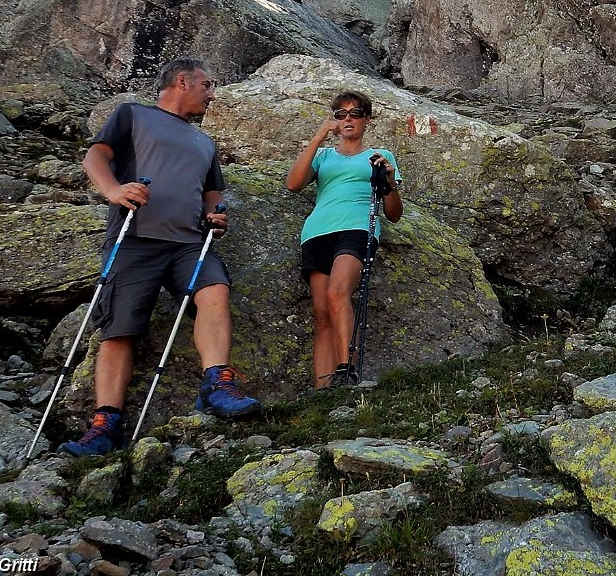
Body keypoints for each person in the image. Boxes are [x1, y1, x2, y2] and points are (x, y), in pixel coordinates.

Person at [61, 57, 260, 456]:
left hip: (189, 241)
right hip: (136, 236)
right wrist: (114, 191)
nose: (211, 93)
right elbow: (95, 156)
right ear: (182, 81)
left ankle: (216, 384)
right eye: (207, 84)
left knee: (215, 290)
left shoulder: (205, 142)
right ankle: (106, 423)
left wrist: (215, 214)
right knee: (120, 328)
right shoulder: (132, 115)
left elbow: (212, 191)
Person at [284, 90, 403, 389]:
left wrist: (389, 182)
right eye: (341, 114)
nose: (348, 119)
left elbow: (394, 214)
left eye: (356, 113)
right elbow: (293, 184)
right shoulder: (323, 156)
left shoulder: (380, 156)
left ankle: (346, 372)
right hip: (317, 232)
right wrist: (318, 136)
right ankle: (323, 391)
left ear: (367, 120)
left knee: (338, 293)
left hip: (357, 229)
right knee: (322, 313)